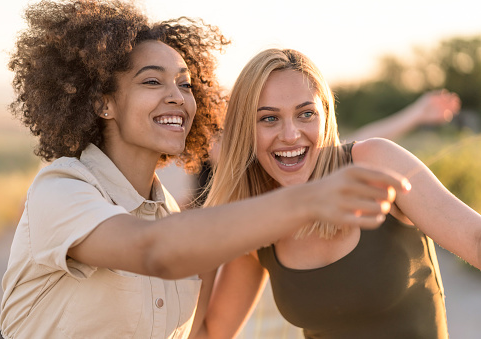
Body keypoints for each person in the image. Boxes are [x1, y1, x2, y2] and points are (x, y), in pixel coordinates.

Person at [0, 1, 409, 338]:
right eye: (152, 82)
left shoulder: (176, 226)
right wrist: (306, 199)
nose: (177, 97)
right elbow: (154, 250)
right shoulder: (61, 189)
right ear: (103, 102)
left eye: (185, 84)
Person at [198, 48, 481, 338]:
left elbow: (475, 238)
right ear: (246, 130)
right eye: (269, 119)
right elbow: (212, 332)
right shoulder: (255, 225)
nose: (290, 134)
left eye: (306, 114)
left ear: (325, 114)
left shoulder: (374, 161)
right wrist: (203, 248)